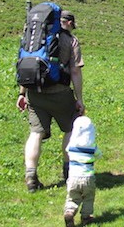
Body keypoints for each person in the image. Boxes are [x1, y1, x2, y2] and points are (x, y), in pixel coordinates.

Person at [16, 10, 85, 192]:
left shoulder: (33, 37)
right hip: (60, 92)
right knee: (70, 129)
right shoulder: (70, 40)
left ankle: (31, 176)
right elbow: (76, 71)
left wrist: (21, 94)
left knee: (35, 133)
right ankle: (68, 171)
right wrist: (79, 100)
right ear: (69, 23)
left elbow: (26, 63)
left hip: (34, 92)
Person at [63, 116, 102, 227]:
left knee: (73, 197)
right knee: (88, 198)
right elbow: (99, 155)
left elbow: (67, 151)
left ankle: (69, 212)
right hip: (88, 178)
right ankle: (86, 217)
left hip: (73, 177)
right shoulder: (92, 147)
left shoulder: (71, 146)